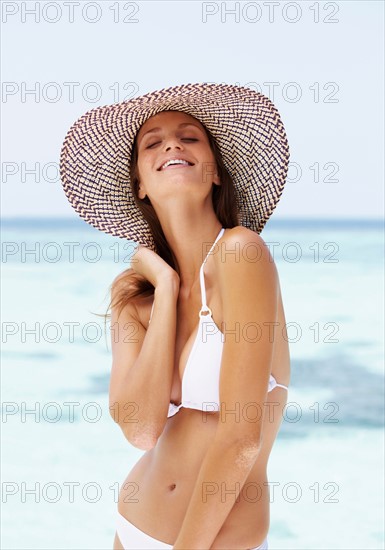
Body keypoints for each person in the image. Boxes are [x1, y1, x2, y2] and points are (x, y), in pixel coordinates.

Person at [60, 83, 291, 550]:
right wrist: (164, 290)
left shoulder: (241, 254)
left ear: (216, 173)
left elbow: (242, 437)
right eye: (152, 142)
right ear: (140, 184)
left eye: (190, 137)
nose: (173, 144)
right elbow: (141, 429)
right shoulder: (135, 301)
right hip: (132, 529)